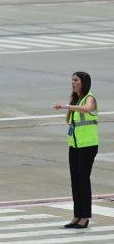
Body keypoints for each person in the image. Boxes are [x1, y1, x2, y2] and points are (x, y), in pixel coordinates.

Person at [54, 71, 98, 229]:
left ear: (83, 82)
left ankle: (85, 217)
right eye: (72, 80)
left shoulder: (89, 98)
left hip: (88, 146)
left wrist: (67, 107)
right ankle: (77, 215)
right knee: (75, 181)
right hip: (75, 146)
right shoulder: (76, 99)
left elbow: (87, 109)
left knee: (83, 180)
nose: (72, 83)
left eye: (76, 80)